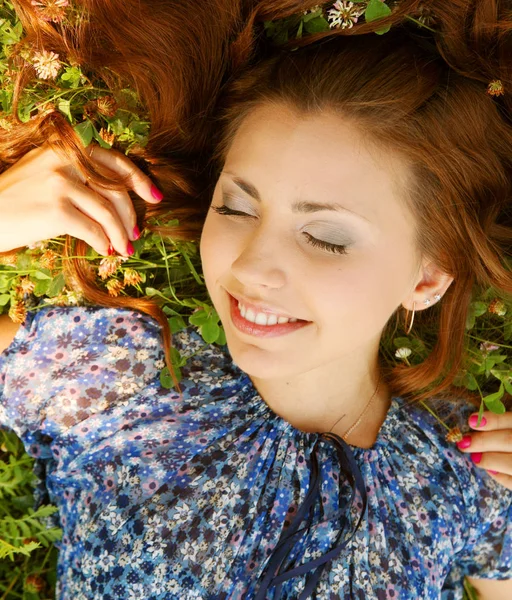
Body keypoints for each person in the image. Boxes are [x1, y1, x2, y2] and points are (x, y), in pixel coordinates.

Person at [1, 0, 512, 598]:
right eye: (237, 208)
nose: (250, 266)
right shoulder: (124, 377)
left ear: (427, 278)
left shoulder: (466, 461)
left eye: (325, 237)